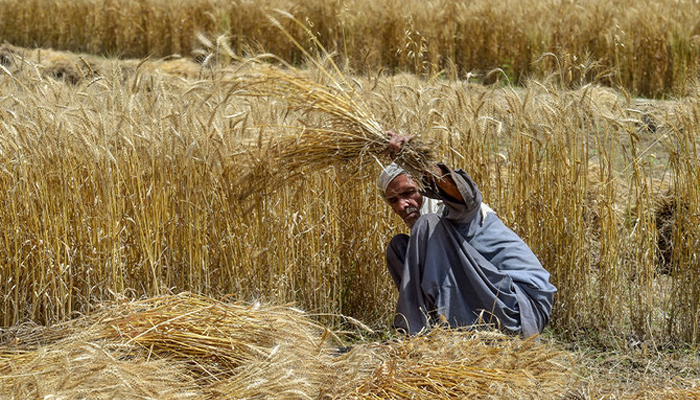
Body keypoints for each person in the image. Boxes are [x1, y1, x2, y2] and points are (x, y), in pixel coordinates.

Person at [378, 132, 556, 337]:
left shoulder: (457, 210)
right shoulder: (428, 237)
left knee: (427, 225)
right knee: (399, 247)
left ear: (424, 186)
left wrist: (417, 163)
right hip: (485, 305)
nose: (402, 205)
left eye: (409, 192)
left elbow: (466, 193)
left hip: (520, 306)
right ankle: (432, 334)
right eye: (393, 200)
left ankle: (416, 334)